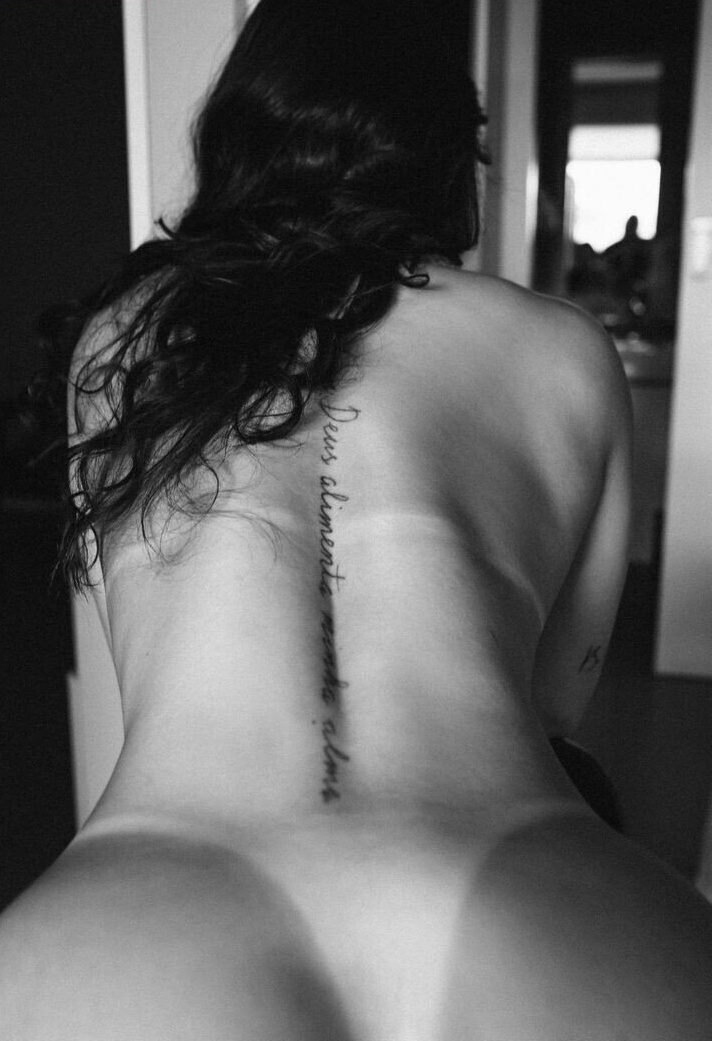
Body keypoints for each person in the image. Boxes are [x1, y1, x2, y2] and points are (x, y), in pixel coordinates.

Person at [1, 1, 711, 1037]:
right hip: (534, 880)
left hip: (144, 898)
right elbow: (557, 698)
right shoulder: (563, 346)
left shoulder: (122, 340)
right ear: (449, 155)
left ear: (241, 133)